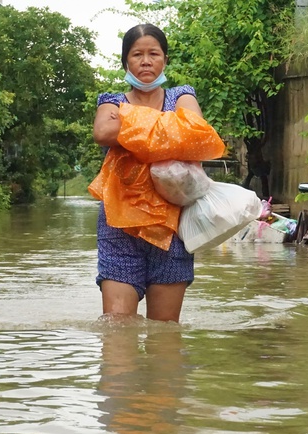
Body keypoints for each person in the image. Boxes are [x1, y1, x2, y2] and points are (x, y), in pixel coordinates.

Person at [91, 24, 206, 323]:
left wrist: (127, 126)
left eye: (153, 54)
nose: (145, 61)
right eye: (137, 54)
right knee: (117, 332)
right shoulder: (111, 100)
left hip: (171, 229)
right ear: (125, 62)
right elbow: (103, 131)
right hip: (119, 229)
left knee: (164, 337)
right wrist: (168, 128)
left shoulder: (182, 96)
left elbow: (194, 133)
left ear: (165, 60)